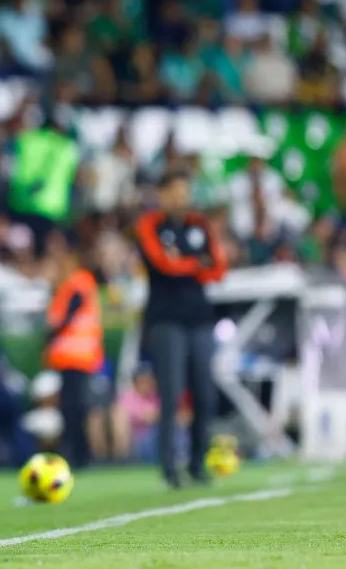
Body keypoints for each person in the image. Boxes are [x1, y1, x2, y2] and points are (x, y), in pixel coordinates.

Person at [134, 170, 228, 489]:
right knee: (171, 393)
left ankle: (198, 464)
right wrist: (196, 263)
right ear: (161, 194)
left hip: (200, 318)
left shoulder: (200, 225)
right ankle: (169, 466)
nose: (179, 197)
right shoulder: (150, 225)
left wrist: (186, 263)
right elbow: (163, 263)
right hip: (165, 319)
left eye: (184, 191)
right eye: (173, 191)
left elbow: (218, 268)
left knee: (204, 394)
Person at [45, 248, 106, 468]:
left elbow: (69, 313)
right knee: (73, 407)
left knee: (73, 408)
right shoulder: (74, 283)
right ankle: (80, 453)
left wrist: (51, 335)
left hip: (76, 356)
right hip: (74, 356)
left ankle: (77, 452)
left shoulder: (78, 282)